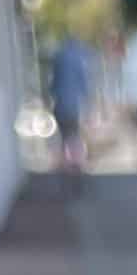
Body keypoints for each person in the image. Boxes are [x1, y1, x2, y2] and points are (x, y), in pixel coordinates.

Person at [50, 35, 91, 174]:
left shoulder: (59, 57)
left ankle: (66, 162)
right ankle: (76, 162)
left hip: (60, 103)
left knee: (65, 135)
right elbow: (84, 84)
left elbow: (53, 84)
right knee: (74, 134)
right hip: (73, 105)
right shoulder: (79, 59)